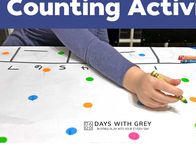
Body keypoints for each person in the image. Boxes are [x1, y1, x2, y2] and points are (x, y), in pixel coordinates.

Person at [3, 28, 184, 109]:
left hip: (67, 59)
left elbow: (98, 40)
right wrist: (137, 80)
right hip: (21, 59)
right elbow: (90, 47)